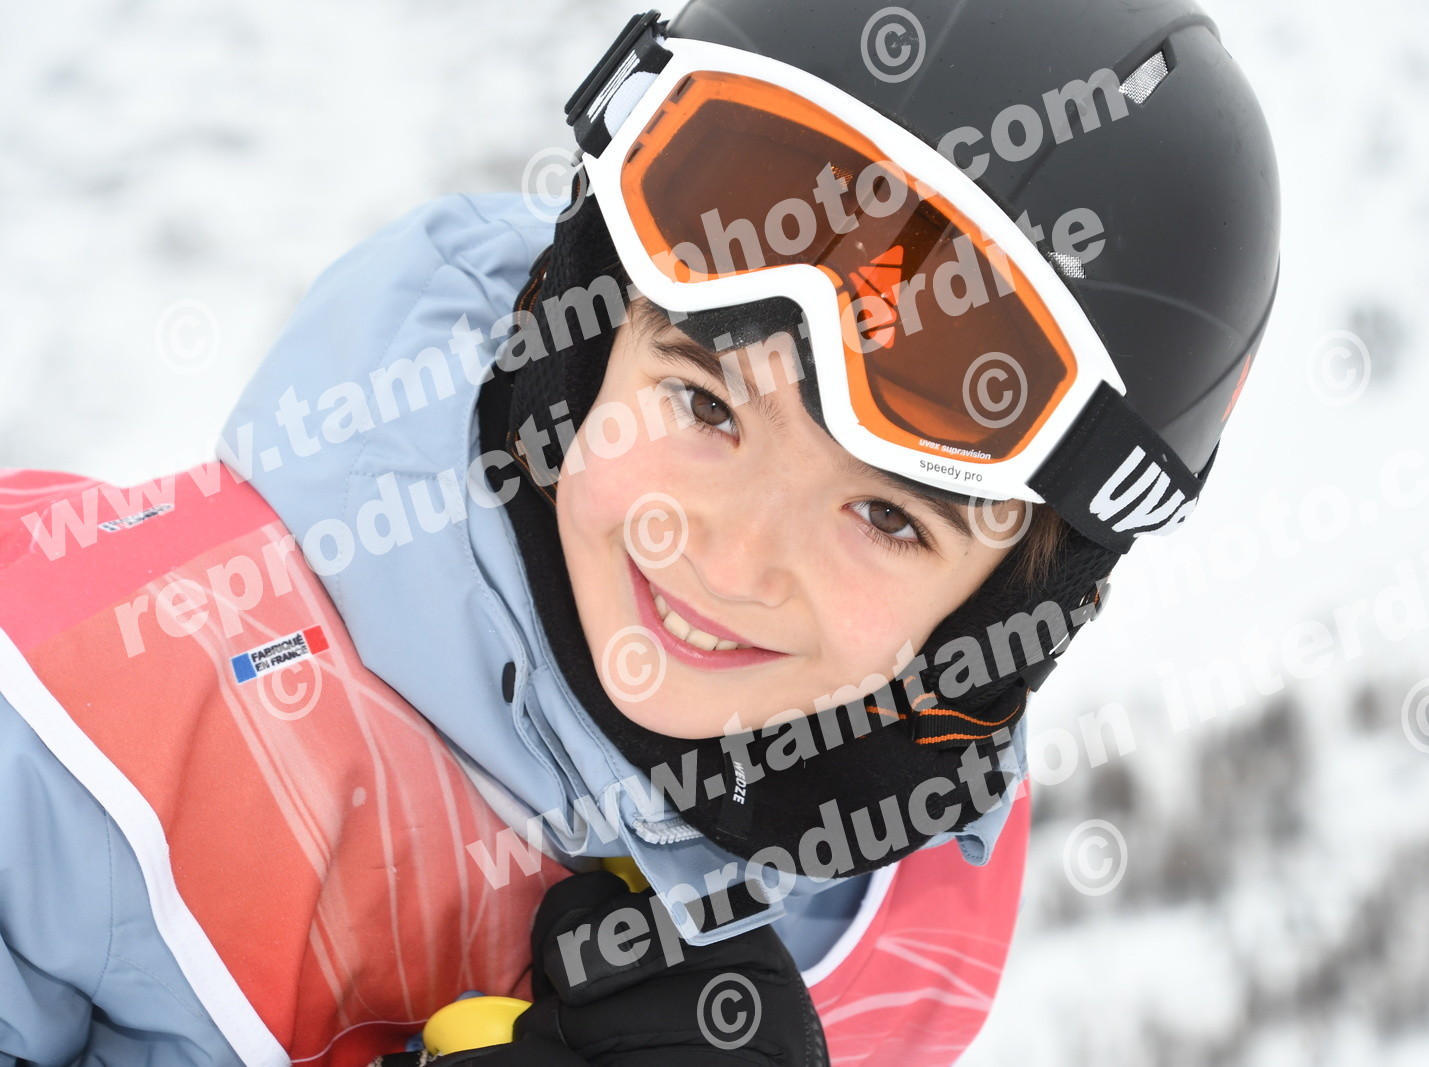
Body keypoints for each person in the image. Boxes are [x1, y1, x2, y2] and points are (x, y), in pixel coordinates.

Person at [0, 0, 1279, 1064]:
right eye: (705, 402)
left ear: (1010, 613)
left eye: (887, 516)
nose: (727, 557)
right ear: (586, 333)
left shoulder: (909, 903)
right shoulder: (92, 712)